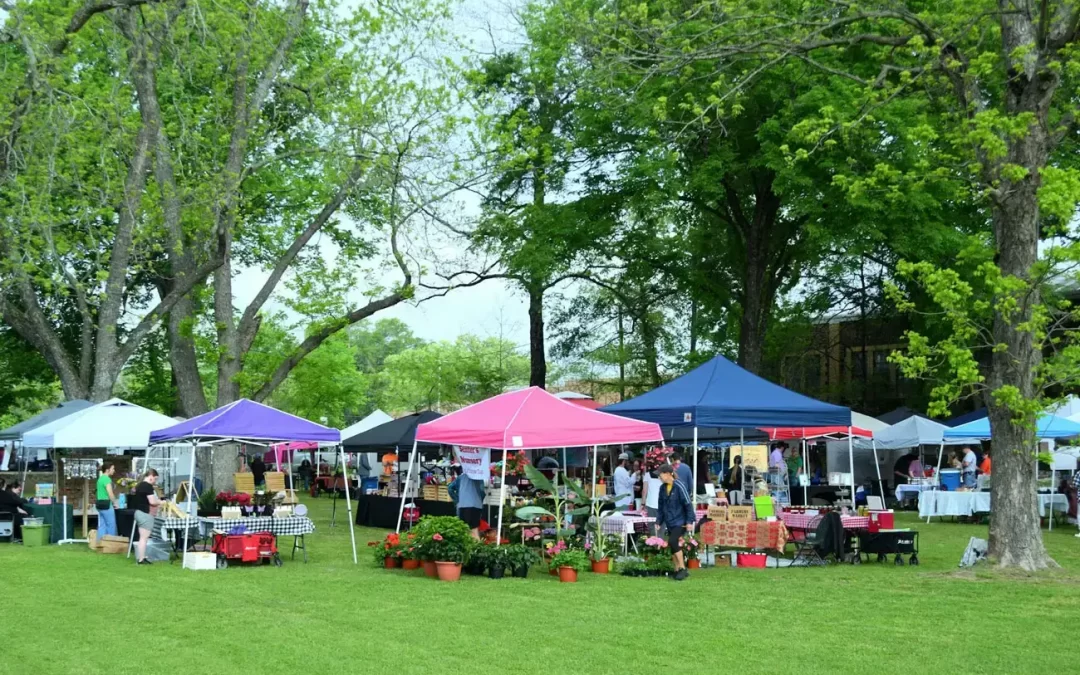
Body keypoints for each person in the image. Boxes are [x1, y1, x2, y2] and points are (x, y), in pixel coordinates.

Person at [656, 463, 695, 581]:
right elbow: (661, 506)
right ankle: (676, 569)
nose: (659, 478)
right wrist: (659, 520)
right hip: (669, 521)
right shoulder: (662, 488)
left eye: (660, 475)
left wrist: (689, 521)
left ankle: (683, 568)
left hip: (680, 521)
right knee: (673, 545)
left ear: (668, 474)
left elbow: (688, 504)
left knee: (673, 541)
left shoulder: (679, 486)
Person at [130, 469, 162, 565]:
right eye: (155, 479)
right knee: (144, 538)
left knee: (142, 537)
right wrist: (161, 502)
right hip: (145, 514)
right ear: (151, 476)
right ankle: (141, 559)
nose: (155, 481)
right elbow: (152, 502)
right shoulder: (148, 487)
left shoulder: (139, 485)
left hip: (138, 512)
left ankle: (142, 556)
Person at [455, 470, 485, 541]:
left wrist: (457, 500)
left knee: (466, 530)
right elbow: (482, 491)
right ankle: (477, 548)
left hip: (463, 504)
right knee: (474, 529)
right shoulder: (478, 476)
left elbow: (450, 487)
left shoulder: (461, 477)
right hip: (475, 505)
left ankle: (471, 548)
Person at [95, 463, 119, 542]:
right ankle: (110, 543)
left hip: (99, 504)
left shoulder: (100, 479)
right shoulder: (107, 479)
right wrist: (115, 502)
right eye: (113, 469)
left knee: (102, 525)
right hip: (107, 505)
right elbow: (110, 493)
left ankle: (99, 543)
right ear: (107, 470)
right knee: (111, 525)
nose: (114, 471)